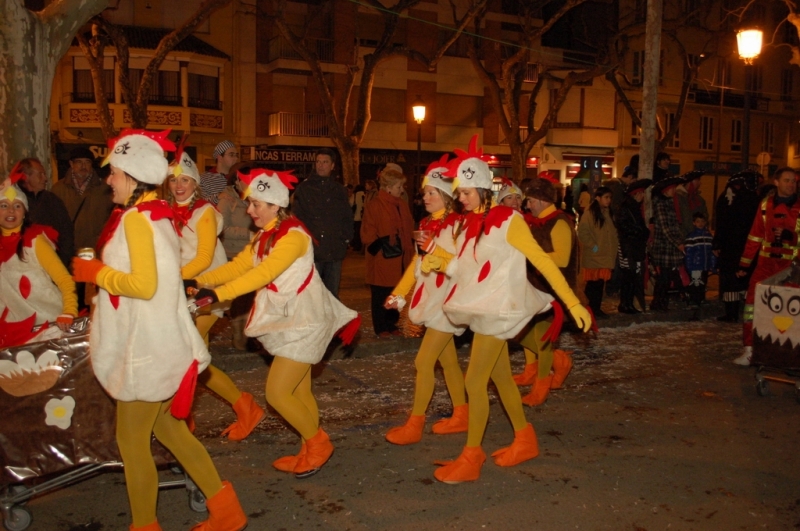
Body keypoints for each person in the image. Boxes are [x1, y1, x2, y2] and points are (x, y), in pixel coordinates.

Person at [71, 129, 247, 531]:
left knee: (132, 445)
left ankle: (145, 524)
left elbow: (145, 286)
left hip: (145, 352)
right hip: (159, 344)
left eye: (113, 173)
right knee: (171, 431)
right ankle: (226, 510)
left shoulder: (138, 218)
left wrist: (95, 272)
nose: (108, 180)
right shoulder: (155, 213)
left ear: (131, 175)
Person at [433, 136, 592, 483]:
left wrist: (573, 300)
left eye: (465, 192)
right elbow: (462, 268)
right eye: (459, 193)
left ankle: (472, 455)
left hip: (500, 308)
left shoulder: (509, 220)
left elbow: (543, 262)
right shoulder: (470, 223)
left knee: (474, 380)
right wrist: (438, 259)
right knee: (500, 376)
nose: (460, 198)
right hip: (482, 307)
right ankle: (524, 438)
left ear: (481, 188)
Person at [187, 167, 360, 478]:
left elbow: (262, 275)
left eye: (256, 204)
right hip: (291, 319)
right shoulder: (266, 235)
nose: (249, 209)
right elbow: (240, 265)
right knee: (300, 391)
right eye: (249, 203)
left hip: (305, 321)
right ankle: (310, 448)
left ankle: (318, 444)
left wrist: (216, 296)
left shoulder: (293, 236)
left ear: (275, 205)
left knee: (278, 394)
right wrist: (198, 280)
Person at [166, 151, 265, 441]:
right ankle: (234, 409)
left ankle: (187, 418)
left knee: (187, 355)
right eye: (173, 181)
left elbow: (204, 256)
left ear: (195, 182)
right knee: (197, 359)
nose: (179, 185)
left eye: (185, 179)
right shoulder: (166, 209)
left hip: (209, 291)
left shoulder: (204, 211)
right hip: (182, 290)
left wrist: (173, 276)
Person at [382, 155, 468, 444]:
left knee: (423, 361)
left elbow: (460, 264)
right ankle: (462, 414)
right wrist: (398, 292)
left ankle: (415, 423)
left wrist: (433, 249)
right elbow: (417, 266)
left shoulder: (458, 225)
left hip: (447, 302)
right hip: (431, 300)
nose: (426, 196)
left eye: (432, 192)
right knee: (449, 362)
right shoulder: (427, 222)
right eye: (425, 192)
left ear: (446, 194)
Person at [513, 176, 580, 407]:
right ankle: (552, 362)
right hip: (534, 288)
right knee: (520, 330)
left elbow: (561, 258)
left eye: (530, 200)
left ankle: (542, 384)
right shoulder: (535, 221)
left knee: (541, 339)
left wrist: (528, 258)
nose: (527, 205)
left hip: (554, 292)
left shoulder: (559, 221)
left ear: (541, 199)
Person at [734, 167, 800, 366]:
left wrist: (792, 236)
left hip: (792, 268)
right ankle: (750, 350)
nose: (791, 184)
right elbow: (754, 237)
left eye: (794, 181)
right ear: (776, 182)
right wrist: (744, 265)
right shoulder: (764, 205)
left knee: (789, 311)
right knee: (752, 306)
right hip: (765, 266)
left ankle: (789, 353)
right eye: (787, 180)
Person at [0, 184, 77, 331]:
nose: (11, 210)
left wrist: (69, 311)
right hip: (12, 328)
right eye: (4, 205)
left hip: (49, 324)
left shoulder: (35, 241)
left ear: (24, 213)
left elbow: (64, 279)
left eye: (17, 206)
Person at [52, 146, 114, 309]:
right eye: (79, 163)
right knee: (69, 299)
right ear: (71, 164)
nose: (83, 167)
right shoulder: (58, 190)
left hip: (95, 254)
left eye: (87, 162)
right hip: (68, 254)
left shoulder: (105, 190)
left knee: (93, 302)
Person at [292, 148, 353, 298]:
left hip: (334, 251)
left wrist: (345, 239)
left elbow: (346, 217)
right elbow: (296, 218)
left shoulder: (339, 190)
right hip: (313, 251)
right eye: (318, 162)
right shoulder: (304, 189)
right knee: (313, 296)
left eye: (325, 162)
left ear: (332, 166)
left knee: (332, 296)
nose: (321, 165)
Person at [361, 168, 415, 338]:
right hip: (383, 258)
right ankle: (381, 326)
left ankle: (393, 324)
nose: (402, 189)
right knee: (380, 295)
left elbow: (409, 229)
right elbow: (367, 233)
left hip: (401, 257)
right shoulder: (375, 205)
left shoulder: (402, 205)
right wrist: (383, 245)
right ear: (389, 187)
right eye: (399, 186)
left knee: (396, 292)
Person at [216, 162, 256, 350]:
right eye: (248, 179)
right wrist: (246, 234)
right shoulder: (227, 199)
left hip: (252, 254)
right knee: (240, 299)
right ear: (238, 180)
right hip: (233, 253)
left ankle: (250, 335)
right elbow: (221, 227)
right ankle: (239, 337)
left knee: (251, 298)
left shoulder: (254, 198)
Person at [712, 171, 760, 322]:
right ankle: (744, 314)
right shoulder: (751, 199)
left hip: (736, 247)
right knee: (739, 279)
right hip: (742, 247)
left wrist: (718, 242)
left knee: (735, 279)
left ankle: (734, 313)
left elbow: (721, 223)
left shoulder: (734, 199)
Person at [14, 158, 74, 268]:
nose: (45, 178)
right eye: (40, 174)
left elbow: (66, 234)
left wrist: (61, 263)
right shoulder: (11, 201)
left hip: (50, 267)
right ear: (26, 177)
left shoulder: (52, 201)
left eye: (44, 174)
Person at [577, 186, 618, 319]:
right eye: (606, 197)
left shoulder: (606, 212)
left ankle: (595, 308)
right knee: (593, 284)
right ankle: (591, 309)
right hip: (595, 255)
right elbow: (583, 232)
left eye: (610, 198)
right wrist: (593, 245)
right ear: (598, 198)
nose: (609, 200)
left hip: (604, 254)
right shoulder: (590, 213)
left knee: (599, 284)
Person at [615, 179, 651, 313]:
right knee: (628, 276)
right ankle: (625, 304)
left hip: (635, 247)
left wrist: (643, 232)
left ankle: (629, 303)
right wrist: (640, 231)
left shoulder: (635, 208)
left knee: (633, 276)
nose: (643, 196)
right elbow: (624, 227)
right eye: (641, 193)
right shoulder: (626, 208)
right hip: (628, 248)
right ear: (635, 194)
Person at [649, 177, 686, 312]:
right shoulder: (661, 205)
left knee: (666, 277)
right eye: (671, 188)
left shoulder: (670, 203)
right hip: (665, 247)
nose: (674, 190)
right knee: (664, 277)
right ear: (665, 191)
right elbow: (665, 228)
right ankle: (659, 303)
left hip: (669, 247)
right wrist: (678, 243)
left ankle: (660, 303)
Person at [684, 212, 716, 306]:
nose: (700, 224)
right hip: (695, 265)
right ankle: (695, 300)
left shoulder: (709, 236)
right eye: (698, 222)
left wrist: (713, 264)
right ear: (694, 223)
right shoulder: (691, 237)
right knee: (696, 284)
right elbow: (689, 253)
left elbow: (712, 252)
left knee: (703, 283)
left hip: (705, 265)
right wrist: (689, 266)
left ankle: (701, 299)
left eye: (702, 221)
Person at [199, 140, 239, 205]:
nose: (236, 158)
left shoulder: (239, 178)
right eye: (231, 155)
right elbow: (199, 202)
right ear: (220, 158)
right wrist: (217, 197)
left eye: (236, 155)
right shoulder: (204, 179)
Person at [676, 170, 708, 237]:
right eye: (697, 180)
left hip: (698, 236)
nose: (700, 183)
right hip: (684, 237)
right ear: (689, 182)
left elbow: (705, 216)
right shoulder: (678, 198)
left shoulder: (699, 199)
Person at [351, 184, 366, 252]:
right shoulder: (365, 194)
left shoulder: (355, 195)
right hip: (362, 215)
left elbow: (351, 203)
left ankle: (356, 246)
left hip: (356, 216)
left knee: (356, 232)